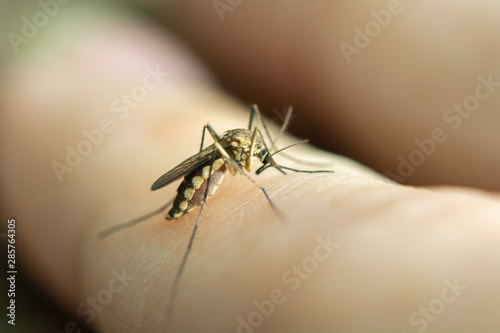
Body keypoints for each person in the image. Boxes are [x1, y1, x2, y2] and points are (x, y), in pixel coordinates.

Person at [1, 1, 499, 332]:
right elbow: (222, 147)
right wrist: (220, 177)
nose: (263, 157)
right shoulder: (234, 150)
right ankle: (181, 228)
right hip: (205, 164)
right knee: (215, 162)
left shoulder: (254, 137)